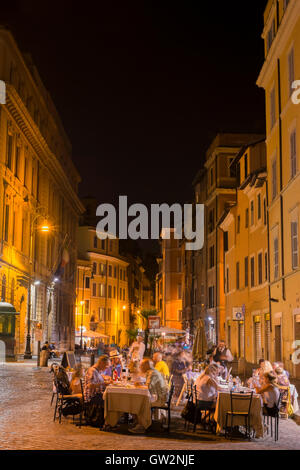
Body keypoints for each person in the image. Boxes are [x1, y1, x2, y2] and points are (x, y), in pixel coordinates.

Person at [129, 358, 168, 434]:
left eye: (141, 365)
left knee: (139, 403)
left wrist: (139, 385)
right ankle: (138, 422)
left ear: (146, 366)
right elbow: (148, 385)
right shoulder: (152, 372)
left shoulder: (152, 373)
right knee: (136, 400)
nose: (140, 367)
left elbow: (148, 387)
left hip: (159, 399)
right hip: (158, 396)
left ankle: (142, 426)